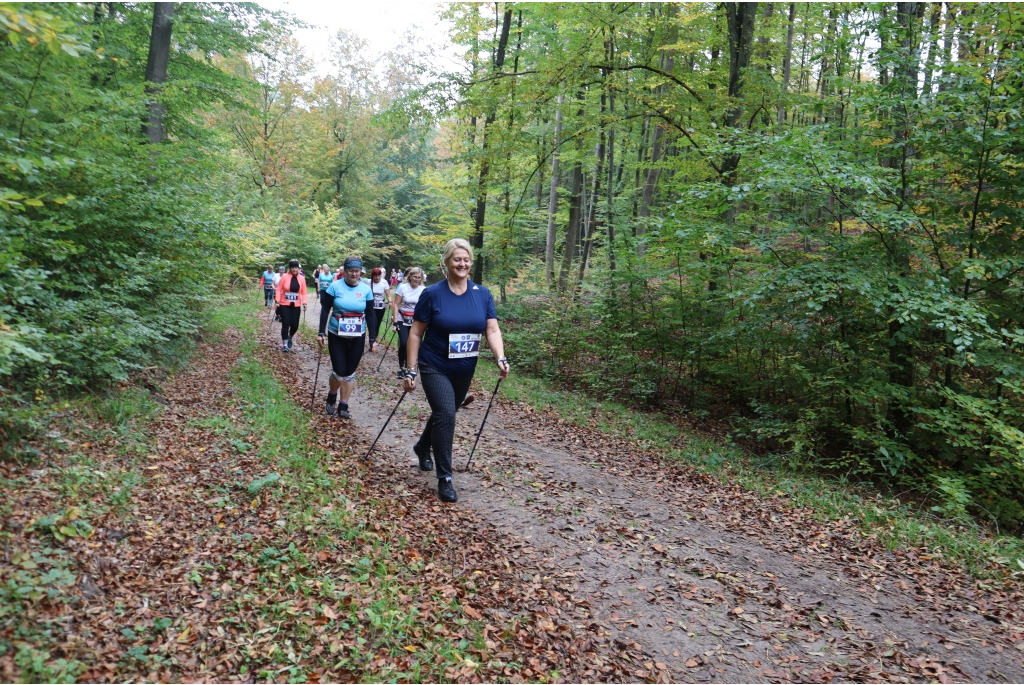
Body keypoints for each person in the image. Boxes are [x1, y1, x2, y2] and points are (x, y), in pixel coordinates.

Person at [400, 239, 509, 502]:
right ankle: (445, 477)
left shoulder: (482, 294)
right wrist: (411, 369)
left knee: (444, 411)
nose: (462, 264)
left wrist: (500, 357)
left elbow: (491, 329)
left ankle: (422, 446)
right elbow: (415, 333)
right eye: (457, 259)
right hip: (434, 364)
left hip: (464, 366)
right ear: (446, 262)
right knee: (447, 414)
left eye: (466, 259)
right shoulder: (433, 294)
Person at [317, 256, 373, 419]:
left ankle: (344, 404)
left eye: (357, 271)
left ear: (361, 272)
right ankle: (332, 394)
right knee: (339, 371)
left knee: (350, 372)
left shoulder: (366, 289)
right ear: (345, 271)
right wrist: (321, 332)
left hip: (358, 335)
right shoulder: (335, 287)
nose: (354, 274)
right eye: (351, 271)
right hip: (337, 334)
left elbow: (370, 314)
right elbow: (325, 309)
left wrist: (373, 338)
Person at [391, 267, 425, 373]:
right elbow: (396, 304)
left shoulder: (423, 290)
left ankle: (409, 366)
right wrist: (395, 321)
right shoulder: (403, 288)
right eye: (415, 277)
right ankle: (402, 367)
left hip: (416, 320)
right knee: (404, 343)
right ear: (410, 277)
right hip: (402, 318)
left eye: (419, 278)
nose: (417, 279)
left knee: (416, 343)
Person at [275, 260, 307, 352]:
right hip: (284, 304)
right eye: (292, 268)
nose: (294, 269)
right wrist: (277, 300)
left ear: (298, 268)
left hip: (296, 305)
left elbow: (304, 292)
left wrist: (304, 302)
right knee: (285, 324)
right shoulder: (285, 277)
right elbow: (278, 289)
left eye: (295, 268)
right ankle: (284, 344)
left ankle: (290, 337)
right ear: (290, 268)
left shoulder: (301, 278)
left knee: (295, 325)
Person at [367, 267, 391, 352]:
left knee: (377, 325)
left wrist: (390, 301)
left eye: (378, 275)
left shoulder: (384, 282)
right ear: (372, 276)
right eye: (375, 275)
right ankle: (371, 342)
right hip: (371, 307)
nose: (377, 277)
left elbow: (388, 295)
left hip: (381, 307)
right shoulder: (369, 282)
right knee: (373, 324)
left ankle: (373, 339)